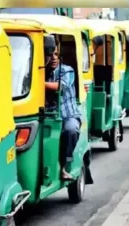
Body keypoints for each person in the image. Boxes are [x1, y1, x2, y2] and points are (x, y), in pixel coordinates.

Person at [45, 46, 81, 180]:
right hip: (48, 115)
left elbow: (61, 86)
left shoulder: (67, 70)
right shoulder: (41, 71)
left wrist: (38, 83)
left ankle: (65, 165)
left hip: (68, 115)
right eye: (50, 54)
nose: (53, 57)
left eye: (56, 54)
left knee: (71, 130)